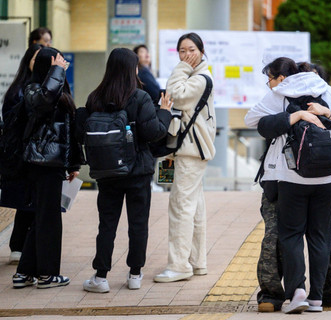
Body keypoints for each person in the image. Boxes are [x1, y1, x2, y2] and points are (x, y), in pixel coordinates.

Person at [245, 57, 331, 314]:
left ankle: (298, 293)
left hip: (291, 177)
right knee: (321, 236)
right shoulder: (325, 90)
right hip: (329, 177)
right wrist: (327, 113)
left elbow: (254, 121)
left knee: (291, 235)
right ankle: (317, 299)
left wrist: (293, 116)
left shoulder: (280, 93)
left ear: (284, 77)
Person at [77, 48, 172, 293]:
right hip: (138, 171)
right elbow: (154, 132)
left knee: (106, 224)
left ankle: (100, 277)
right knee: (138, 224)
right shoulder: (139, 97)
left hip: (107, 172)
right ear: (134, 69)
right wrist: (164, 112)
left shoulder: (95, 97)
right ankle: (135, 275)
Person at [12, 47, 82, 289]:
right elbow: (43, 101)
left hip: (53, 164)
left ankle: (24, 273)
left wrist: (73, 162)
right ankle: (47, 275)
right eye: (56, 61)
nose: (62, 65)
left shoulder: (58, 90)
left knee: (44, 217)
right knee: (49, 219)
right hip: (40, 163)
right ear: (47, 66)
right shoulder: (32, 90)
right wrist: (56, 72)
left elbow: (69, 130)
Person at [154, 32, 216, 283]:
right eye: (181, 51)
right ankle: (196, 262)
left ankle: (179, 265)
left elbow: (175, 95)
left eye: (191, 50)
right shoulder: (196, 76)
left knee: (180, 207)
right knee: (194, 207)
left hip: (190, 151)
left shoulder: (200, 78)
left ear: (201, 51)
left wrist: (180, 68)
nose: (186, 55)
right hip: (190, 150)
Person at [1, 43, 42, 264]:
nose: (38, 63)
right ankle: (19, 245)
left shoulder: (44, 87)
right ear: (27, 61)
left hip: (33, 154)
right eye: (35, 59)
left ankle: (19, 245)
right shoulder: (19, 91)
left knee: (31, 201)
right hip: (22, 155)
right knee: (28, 200)